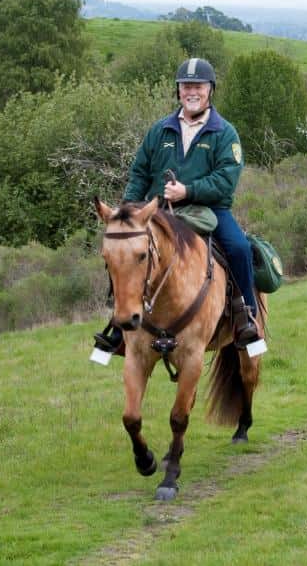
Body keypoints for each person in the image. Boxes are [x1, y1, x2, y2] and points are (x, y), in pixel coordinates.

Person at [94, 57, 260, 354]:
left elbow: (226, 180)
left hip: (210, 210)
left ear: (210, 90)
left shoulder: (225, 133)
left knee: (239, 248)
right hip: (158, 213)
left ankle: (247, 320)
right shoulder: (160, 131)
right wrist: (129, 211)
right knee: (124, 252)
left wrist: (189, 190)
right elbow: (140, 172)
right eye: (186, 86)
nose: (191, 91)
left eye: (198, 86)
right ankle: (118, 326)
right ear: (178, 91)